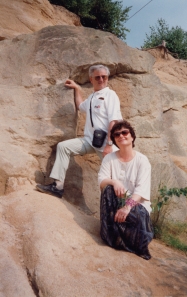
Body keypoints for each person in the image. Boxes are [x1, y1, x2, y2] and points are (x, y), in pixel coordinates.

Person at [36, 64, 122, 198]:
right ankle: (57, 187)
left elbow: (114, 121)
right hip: (90, 140)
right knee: (63, 147)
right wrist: (77, 88)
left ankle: (122, 208)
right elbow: (80, 106)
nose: (101, 79)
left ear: (107, 78)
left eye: (104, 77)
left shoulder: (110, 95)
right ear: (91, 79)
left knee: (115, 176)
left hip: (106, 143)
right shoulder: (93, 98)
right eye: (97, 77)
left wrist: (109, 144)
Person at [98, 120, 154, 260]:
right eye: (117, 134)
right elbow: (101, 181)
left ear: (132, 136)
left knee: (137, 217)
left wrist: (127, 207)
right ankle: (111, 236)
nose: (121, 136)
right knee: (108, 189)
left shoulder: (142, 160)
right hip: (117, 202)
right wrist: (114, 181)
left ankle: (134, 242)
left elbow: (141, 191)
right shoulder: (109, 159)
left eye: (125, 132)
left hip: (137, 206)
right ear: (115, 140)